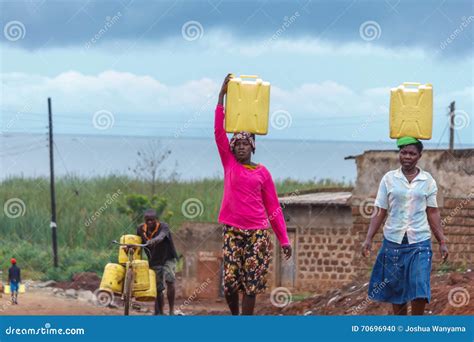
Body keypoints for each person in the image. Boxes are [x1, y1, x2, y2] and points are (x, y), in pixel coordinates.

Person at [215, 74, 292, 315]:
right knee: (229, 282)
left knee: (251, 284)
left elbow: (273, 208)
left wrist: (284, 239)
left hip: (258, 233)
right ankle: (235, 317)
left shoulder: (263, 173)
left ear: (253, 147)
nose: (240, 146)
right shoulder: (229, 164)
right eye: (236, 143)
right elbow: (218, 133)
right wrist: (221, 98)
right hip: (233, 230)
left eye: (245, 144)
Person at [362, 136, 449, 315]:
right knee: (396, 290)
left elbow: (432, 212)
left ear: (419, 156)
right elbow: (380, 210)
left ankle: (415, 327)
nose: (407, 157)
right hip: (393, 242)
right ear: (399, 154)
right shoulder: (389, 179)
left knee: (419, 286)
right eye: (403, 153)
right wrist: (368, 238)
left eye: (412, 153)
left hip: (420, 242)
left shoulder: (427, 181)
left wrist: (442, 241)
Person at [136, 209, 179, 315]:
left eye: (152, 220)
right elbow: (137, 242)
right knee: (158, 288)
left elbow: (161, 236)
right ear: (144, 220)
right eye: (147, 220)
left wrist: (154, 240)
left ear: (156, 220)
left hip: (168, 257)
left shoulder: (163, 226)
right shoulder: (141, 229)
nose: (150, 222)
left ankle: (171, 310)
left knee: (170, 278)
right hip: (154, 260)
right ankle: (159, 312)